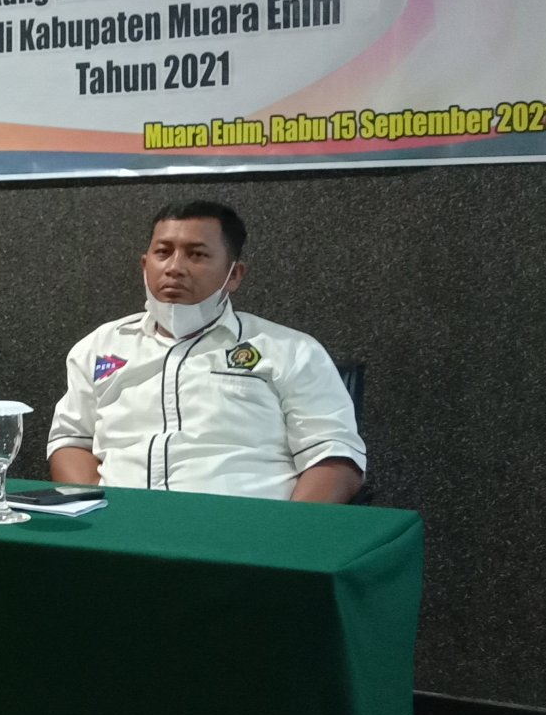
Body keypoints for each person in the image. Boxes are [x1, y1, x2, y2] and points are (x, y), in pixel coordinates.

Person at [47, 200, 366, 502]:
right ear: (145, 265)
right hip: (122, 523)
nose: (174, 267)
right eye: (163, 252)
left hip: (245, 529)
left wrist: (287, 531)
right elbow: (70, 441)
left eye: (196, 255)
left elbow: (336, 456)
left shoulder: (292, 351)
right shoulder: (99, 347)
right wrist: (93, 508)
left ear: (234, 275)